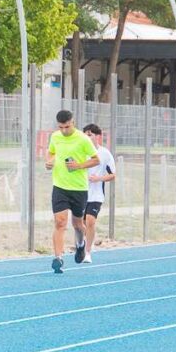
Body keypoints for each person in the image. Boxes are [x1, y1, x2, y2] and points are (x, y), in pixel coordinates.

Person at [45, 110, 99, 274]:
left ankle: (80, 245)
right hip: (60, 186)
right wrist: (49, 162)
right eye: (61, 127)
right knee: (60, 222)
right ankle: (58, 259)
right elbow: (52, 152)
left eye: (67, 127)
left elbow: (96, 159)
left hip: (79, 189)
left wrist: (79, 166)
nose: (64, 130)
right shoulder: (55, 137)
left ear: (72, 123)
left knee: (77, 224)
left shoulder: (83, 139)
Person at [82, 124, 116, 264]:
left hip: (96, 195)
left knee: (90, 221)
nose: (87, 137)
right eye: (85, 134)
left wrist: (99, 178)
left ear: (98, 136)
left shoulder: (105, 154)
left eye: (89, 134)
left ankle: (88, 252)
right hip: (80, 193)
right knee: (81, 224)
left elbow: (113, 175)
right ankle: (85, 241)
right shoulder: (81, 152)